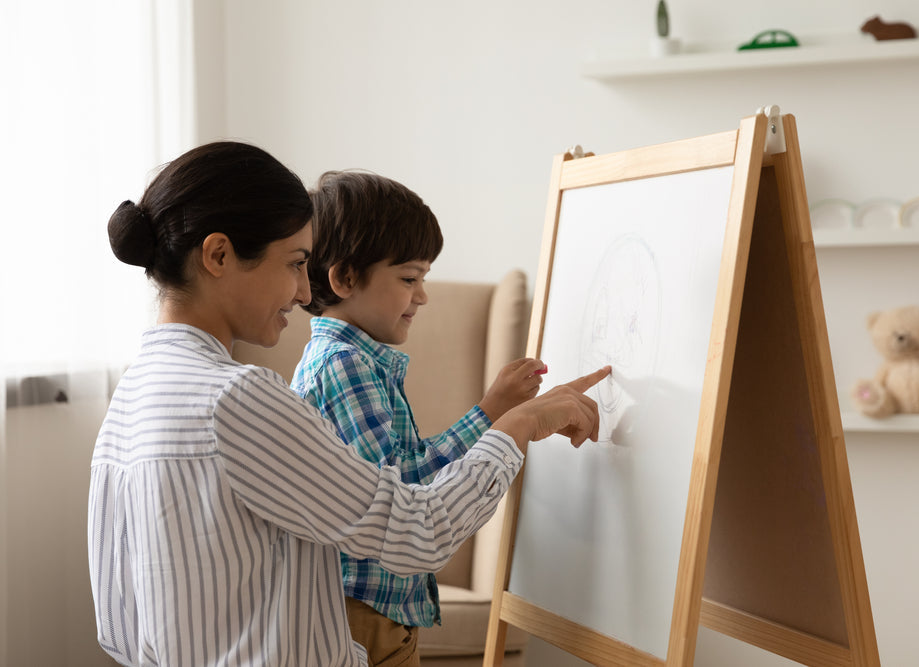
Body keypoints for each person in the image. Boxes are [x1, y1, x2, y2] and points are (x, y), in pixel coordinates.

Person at [87, 140, 610, 667]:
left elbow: (119, 625)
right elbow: (417, 531)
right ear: (219, 255)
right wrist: (516, 426)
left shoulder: (129, 399)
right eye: (294, 264)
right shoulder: (237, 398)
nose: (300, 292)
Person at [290, 171, 546, 666]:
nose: (422, 296)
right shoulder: (343, 366)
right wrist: (490, 413)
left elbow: (398, 469)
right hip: (363, 614)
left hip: (374, 609)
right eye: (410, 279)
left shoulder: (354, 361)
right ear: (344, 278)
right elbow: (406, 491)